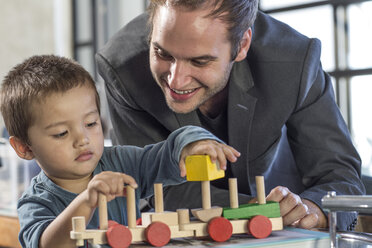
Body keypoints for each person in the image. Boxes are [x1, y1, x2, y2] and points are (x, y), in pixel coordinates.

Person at [96, 0, 365, 231]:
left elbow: (340, 175)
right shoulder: (121, 68)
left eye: (200, 61)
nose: (176, 80)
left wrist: (312, 209)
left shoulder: (295, 62)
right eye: (161, 53)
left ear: (243, 44)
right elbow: (152, 184)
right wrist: (254, 210)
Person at [0, 55, 240, 248]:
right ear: (25, 147)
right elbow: (46, 244)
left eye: (91, 124)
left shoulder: (121, 163)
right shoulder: (35, 203)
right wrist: (86, 201)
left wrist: (193, 143)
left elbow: (165, 155)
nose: (82, 140)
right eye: (62, 133)